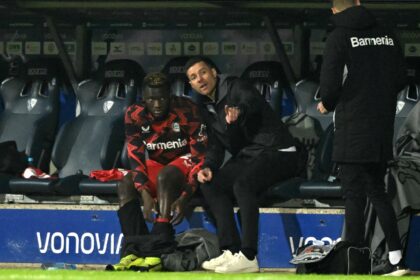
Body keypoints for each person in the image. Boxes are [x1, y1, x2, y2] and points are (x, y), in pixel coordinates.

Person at [184, 56, 302, 273]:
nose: (200, 79)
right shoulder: (205, 107)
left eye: (202, 73)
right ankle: (230, 250)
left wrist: (239, 110)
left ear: (213, 72)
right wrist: (208, 166)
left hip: (278, 151)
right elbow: (215, 146)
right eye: (193, 77)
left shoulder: (235, 86)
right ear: (190, 84)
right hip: (250, 156)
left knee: (242, 185)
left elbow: (250, 101)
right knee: (211, 183)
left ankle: (249, 256)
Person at [317, 0, 409, 276]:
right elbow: (401, 78)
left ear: (334, 11)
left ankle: (354, 263)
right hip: (380, 126)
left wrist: (328, 103)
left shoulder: (339, 36)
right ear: (358, 3)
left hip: (352, 126)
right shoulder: (388, 33)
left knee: (353, 196)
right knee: (378, 194)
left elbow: (330, 84)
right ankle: (396, 260)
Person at [107, 72, 207, 271]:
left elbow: (200, 158)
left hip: (184, 164)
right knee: (125, 183)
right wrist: (144, 192)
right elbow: (135, 158)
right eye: (151, 99)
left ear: (170, 96)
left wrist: (186, 195)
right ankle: (133, 251)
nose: (158, 104)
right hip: (158, 165)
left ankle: (157, 250)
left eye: (162, 98)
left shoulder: (188, 109)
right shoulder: (134, 114)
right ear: (143, 99)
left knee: (165, 175)